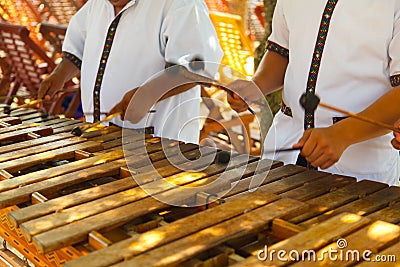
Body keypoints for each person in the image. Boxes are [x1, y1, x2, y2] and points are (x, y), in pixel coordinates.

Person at [228, 0, 400, 186]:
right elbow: (283, 50)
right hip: (283, 151)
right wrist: (257, 86)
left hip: (359, 169)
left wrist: (343, 134)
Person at [39, 0, 223, 144]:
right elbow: (79, 44)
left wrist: (148, 93)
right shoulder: (97, 4)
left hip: (159, 145)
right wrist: (59, 75)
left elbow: (197, 66)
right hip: (102, 138)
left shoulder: (180, 4)